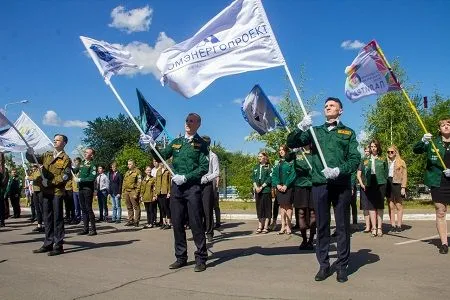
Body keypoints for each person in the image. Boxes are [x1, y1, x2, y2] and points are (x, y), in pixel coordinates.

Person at [287, 97, 360, 283]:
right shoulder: (315, 131)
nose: (328, 108)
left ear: (340, 110)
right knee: (322, 226)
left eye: (332, 105)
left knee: (342, 226)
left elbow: (354, 159)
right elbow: (292, 143)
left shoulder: (348, 132)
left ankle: (342, 265)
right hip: (320, 183)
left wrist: (339, 170)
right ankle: (324, 265)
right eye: (326, 106)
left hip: (340, 184)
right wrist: (300, 128)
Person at [142, 112, 209, 272]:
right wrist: (152, 145)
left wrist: (186, 177)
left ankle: (201, 258)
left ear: (198, 124)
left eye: (192, 121)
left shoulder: (202, 144)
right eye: (186, 120)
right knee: (177, 223)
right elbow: (160, 158)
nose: (188, 123)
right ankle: (181, 257)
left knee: (195, 223)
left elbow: (204, 167)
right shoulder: (176, 142)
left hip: (192, 188)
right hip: (177, 189)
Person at [26, 134, 71, 256]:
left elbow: (65, 176)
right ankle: (48, 243)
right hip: (46, 192)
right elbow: (33, 159)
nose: (55, 141)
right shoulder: (47, 155)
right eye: (54, 140)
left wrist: (50, 182)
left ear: (64, 143)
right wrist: (29, 152)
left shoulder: (66, 159)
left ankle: (58, 245)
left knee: (57, 218)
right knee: (47, 218)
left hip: (56, 192)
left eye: (58, 140)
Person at [413, 116, 450, 254]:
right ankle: (444, 243)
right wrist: (423, 141)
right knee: (441, 211)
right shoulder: (433, 143)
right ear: (439, 129)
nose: (446, 126)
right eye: (443, 125)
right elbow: (416, 150)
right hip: (438, 181)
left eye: (448, 124)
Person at [289, 145, 315, 249]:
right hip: (300, 186)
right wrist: (292, 151)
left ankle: (311, 240)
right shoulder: (297, 153)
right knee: (301, 213)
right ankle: (304, 240)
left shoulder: (316, 154)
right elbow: (287, 158)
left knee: (313, 213)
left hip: (313, 186)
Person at [361, 140, 388, 237]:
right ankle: (374, 228)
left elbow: (386, 172)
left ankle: (380, 227)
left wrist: (385, 183)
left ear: (378, 147)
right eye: (371, 146)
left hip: (380, 183)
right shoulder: (365, 159)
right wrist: (364, 183)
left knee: (380, 206)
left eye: (375, 146)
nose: (373, 148)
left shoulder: (382, 159)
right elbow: (362, 172)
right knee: (371, 207)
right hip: (370, 183)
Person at [272, 145, 295, 235]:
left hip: (288, 187)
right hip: (279, 187)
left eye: (282, 150)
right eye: (279, 150)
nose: (280, 151)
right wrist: (277, 184)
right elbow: (274, 174)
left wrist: (286, 185)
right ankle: (282, 226)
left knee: (288, 206)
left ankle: (288, 226)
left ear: (286, 151)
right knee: (282, 207)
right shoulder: (278, 162)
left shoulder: (291, 162)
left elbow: (293, 174)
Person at [200, 135, 220, 242]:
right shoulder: (198, 155)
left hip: (207, 184)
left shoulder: (213, 156)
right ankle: (200, 231)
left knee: (207, 209)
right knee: (198, 209)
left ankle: (209, 232)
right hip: (197, 184)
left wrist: (206, 178)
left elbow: (216, 172)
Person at [75, 148, 97, 236]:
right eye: (85, 152)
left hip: (88, 189)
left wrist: (80, 179)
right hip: (80, 189)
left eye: (87, 152)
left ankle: (93, 229)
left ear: (91, 155)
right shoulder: (82, 163)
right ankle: (85, 228)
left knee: (88, 209)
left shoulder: (93, 165)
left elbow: (92, 178)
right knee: (83, 209)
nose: (85, 153)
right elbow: (75, 170)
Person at [386, 145, 407, 232]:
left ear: (395, 152)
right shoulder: (385, 162)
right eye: (388, 152)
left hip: (397, 183)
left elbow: (405, 175)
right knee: (390, 205)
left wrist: (403, 187)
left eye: (392, 152)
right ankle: (393, 225)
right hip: (388, 182)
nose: (390, 153)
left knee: (398, 204)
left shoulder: (401, 162)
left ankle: (399, 225)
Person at [252, 152, 272, 234]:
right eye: (258, 156)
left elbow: (269, 178)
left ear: (265, 157)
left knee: (267, 208)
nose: (259, 157)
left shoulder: (269, 167)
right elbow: (253, 178)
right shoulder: (256, 167)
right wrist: (256, 187)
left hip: (265, 190)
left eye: (261, 156)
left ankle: (266, 226)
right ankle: (260, 225)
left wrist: (261, 187)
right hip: (257, 190)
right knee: (259, 208)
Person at [122, 159, 142, 227]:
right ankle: (130, 220)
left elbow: (139, 183)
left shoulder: (138, 172)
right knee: (129, 207)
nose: (128, 165)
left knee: (136, 207)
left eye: (130, 164)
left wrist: (137, 193)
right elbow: (124, 182)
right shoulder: (127, 172)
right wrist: (123, 192)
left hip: (133, 191)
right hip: (127, 191)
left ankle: (136, 221)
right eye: (128, 164)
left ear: (133, 164)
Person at [357, 146, 371, 233]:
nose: (367, 152)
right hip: (364, 187)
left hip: (373, 187)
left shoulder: (374, 160)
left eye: (368, 151)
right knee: (365, 207)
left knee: (373, 207)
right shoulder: (362, 160)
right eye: (365, 151)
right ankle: (367, 226)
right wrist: (362, 184)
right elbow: (358, 174)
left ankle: (374, 225)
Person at [30, 164, 44, 232]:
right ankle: (39, 225)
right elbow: (32, 177)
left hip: (40, 191)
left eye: (34, 168)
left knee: (42, 208)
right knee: (37, 208)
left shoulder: (40, 171)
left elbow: (37, 178)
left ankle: (45, 225)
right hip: (35, 192)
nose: (33, 169)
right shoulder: (34, 172)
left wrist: (29, 178)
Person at [70, 157, 82, 225]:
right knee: (76, 205)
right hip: (74, 190)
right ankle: (78, 218)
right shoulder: (73, 171)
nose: (76, 163)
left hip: (80, 190)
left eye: (77, 162)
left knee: (82, 205)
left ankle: (84, 218)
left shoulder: (81, 170)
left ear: (79, 163)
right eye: (75, 162)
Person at [0, 153, 8, 227]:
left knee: (1, 207)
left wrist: (4, 190)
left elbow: (4, 182)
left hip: (1, 192)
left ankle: (2, 221)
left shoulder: (3, 171)